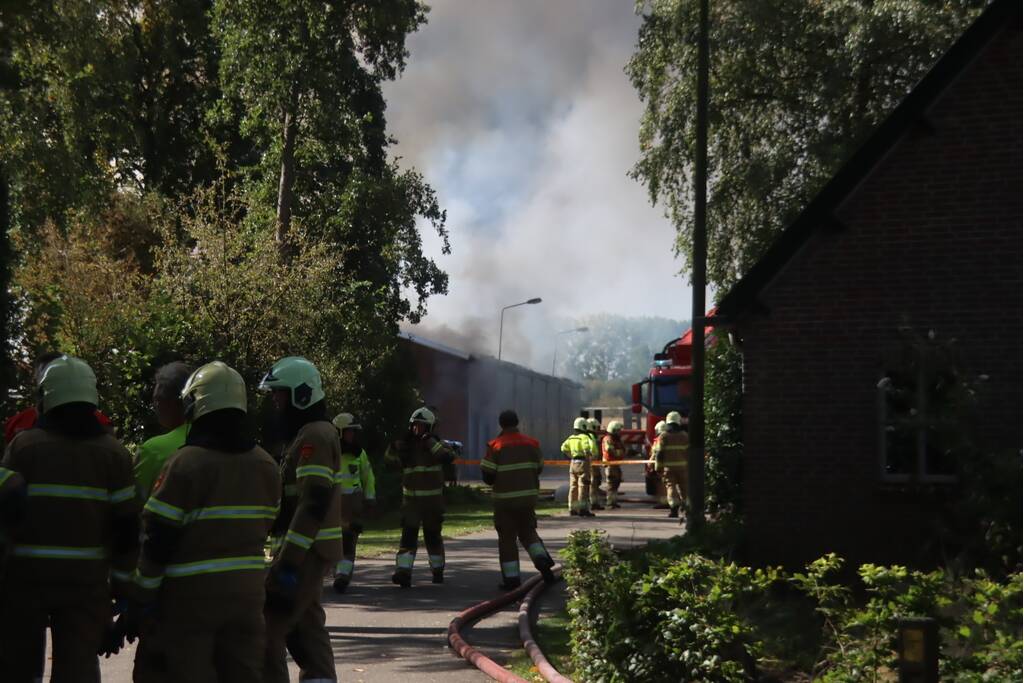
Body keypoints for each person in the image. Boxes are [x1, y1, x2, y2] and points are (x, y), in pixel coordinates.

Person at [128, 361, 280, 682]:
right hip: (247, 599)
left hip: (189, 603)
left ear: (194, 405)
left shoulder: (185, 464)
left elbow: (158, 540)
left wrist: (140, 600)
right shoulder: (266, 465)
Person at [0, 355, 139, 681]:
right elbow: (126, 529)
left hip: (25, 582)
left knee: (17, 669)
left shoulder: (24, 447)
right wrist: (123, 590)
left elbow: (5, 509)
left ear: (46, 398)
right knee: (78, 671)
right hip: (86, 586)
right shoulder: (113, 454)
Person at [259, 356, 342, 683]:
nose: (275, 402)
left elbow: (314, 501)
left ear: (300, 394)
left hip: (306, 551)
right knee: (307, 626)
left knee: (267, 629)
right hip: (310, 549)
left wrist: (289, 563)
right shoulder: (311, 433)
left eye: (279, 394)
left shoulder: (314, 436)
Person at [481, 410, 556, 590]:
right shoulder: (532, 443)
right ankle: (542, 559)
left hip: (505, 502)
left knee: (507, 539)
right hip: (527, 500)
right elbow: (538, 468)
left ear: (501, 424)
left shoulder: (495, 445)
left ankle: (512, 579)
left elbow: (488, 476)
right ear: (517, 422)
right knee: (528, 532)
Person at [384, 407, 455, 588]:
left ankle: (437, 571)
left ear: (430, 428)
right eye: (415, 426)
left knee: (432, 538)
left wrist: (430, 442)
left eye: (422, 427)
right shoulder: (406, 448)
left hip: (432, 504)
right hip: (411, 504)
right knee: (408, 538)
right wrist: (394, 447)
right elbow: (389, 462)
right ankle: (403, 572)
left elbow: (447, 457)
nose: (417, 430)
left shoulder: (438, 445)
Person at [4, 351, 113, 444]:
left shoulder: (101, 424)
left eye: (52, 374)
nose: (46, 379)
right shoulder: (15, 424)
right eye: (42, 375)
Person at [133, 361, 193, 499]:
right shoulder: (222, 443)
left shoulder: (152, 450)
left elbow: (133, 506)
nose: (155, 406)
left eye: (157, 400)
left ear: (172, 402)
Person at [331, 412, 376, 594]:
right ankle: (332, 573)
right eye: (349, 431)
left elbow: (368, 477)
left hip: (352, 509)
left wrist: (370, 499)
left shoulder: (359, 454)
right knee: (331, 543)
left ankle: (342, 576)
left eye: (354, 432)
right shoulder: (329, 453)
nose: (352, 435)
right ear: (340, 432)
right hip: (332, 508)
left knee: (349, 543)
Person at [651, 411, 689, 520]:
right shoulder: (685, 435)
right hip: (683, 468)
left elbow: (659, 453)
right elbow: (689, 452)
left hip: (669, 468)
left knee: (670, 487)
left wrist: (658, 467)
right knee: (685, 488)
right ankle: (688, 509)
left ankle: (674, 509)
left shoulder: (663, 436)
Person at [560, 418, 594, 517]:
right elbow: (587, 449)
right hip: (582, 463)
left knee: (573, 487)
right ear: (583, 426)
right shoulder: (584, 437)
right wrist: (588, 459)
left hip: (573, 463)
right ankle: (582, 509)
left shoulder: (571, 438)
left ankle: (572, 508)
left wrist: (571, 455)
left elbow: (563, 448)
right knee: (583, 486)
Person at [602, 421, 627, 509]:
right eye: (618, 431)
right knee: (611, 484)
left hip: (615, 465)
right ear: (614, 430)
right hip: (610, 465)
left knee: (616, 483)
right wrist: (620, 452)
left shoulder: (616, 439)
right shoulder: (608, 439)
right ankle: (610, 502)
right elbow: (610, 450)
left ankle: (614, 501)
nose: (619, 433)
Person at [586, 417, 605, 511]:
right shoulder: (591, 436)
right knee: (593, 483)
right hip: (592, 463)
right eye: (596, 428)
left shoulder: (590, 436)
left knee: (595, 482)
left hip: (593, 463)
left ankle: (594, 502)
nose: (598, 430)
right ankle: (594, 503)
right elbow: (594, 451)